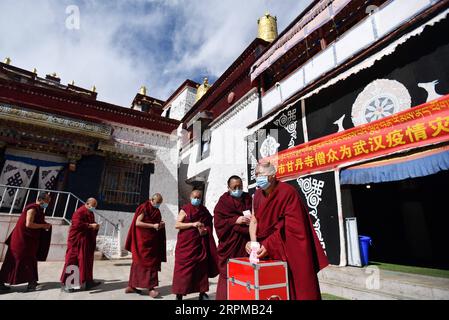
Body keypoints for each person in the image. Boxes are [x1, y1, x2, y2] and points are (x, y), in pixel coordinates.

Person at [246, 161, 329, 300]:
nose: (257, 178)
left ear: (272, 175)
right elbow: (254, 220)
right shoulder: (258, 195)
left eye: (260, 174)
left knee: (298, 288)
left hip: (288, 247)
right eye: (256, 175)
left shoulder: (287, 192)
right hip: (266, 250)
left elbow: (292, 227)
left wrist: (268, 244)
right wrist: (254, 244)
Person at [0, 192, 52, 292]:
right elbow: (29, 224)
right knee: (15, 260)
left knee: (30, 259)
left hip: (30, 240)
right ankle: (2, 283)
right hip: (21, 240)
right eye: (47, 201)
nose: (48, 204)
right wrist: (42, 226)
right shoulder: (32, 208)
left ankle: (31, 282)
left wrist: (45, 224)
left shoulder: (40, 210)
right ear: (40, 200)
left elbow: (38, 221)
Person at [172, 189, 218, 300]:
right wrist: (193, 224)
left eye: (199, 197)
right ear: (190, 197)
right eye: (195, 197)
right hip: (186, 245)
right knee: (182, 271)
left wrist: (206, 230)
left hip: (200, 246)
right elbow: (177, 225)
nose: (197, 199)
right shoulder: (185, 209)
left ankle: (202, 293)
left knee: (201, 270)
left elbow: (209, 224)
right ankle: (179, 294)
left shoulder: (204, 210)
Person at [213, 175, 251, 300]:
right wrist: (235, 220)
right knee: (227, 274)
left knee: (245, 273)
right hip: (230, 244)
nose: (238, 189)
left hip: (245, 242)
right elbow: (218, 223)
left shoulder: (247, 198)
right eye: (234, 187)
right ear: (228, 188)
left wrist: (251, 221)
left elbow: (257, 216)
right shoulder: (224, 202)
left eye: (240, 186)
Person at [124, 193, 166, 298]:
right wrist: (153, 225)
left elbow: (155, 222)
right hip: (142, 241)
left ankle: (146, 287)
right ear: (152, 200)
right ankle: (135, 287)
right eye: (157, 203)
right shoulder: (144, 208)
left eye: (159, 204)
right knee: (139, 263)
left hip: (152, 241)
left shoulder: (156, 210)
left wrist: (160, 224)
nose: (157, 205)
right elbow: (138, 223)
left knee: (151, 264)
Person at [60, 198, 101, 292]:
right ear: (87, 203)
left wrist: (95, 226)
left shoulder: (90, 212)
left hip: (85, 241)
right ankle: (68, 284)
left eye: (95, 206)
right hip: (76, 241)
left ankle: (88, 282)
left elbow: (90, 224)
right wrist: (91, 226)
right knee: (72, 260)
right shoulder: (79, 212)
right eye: (93, 206)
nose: (94, 208)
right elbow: (77, 225)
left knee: (86, 261)